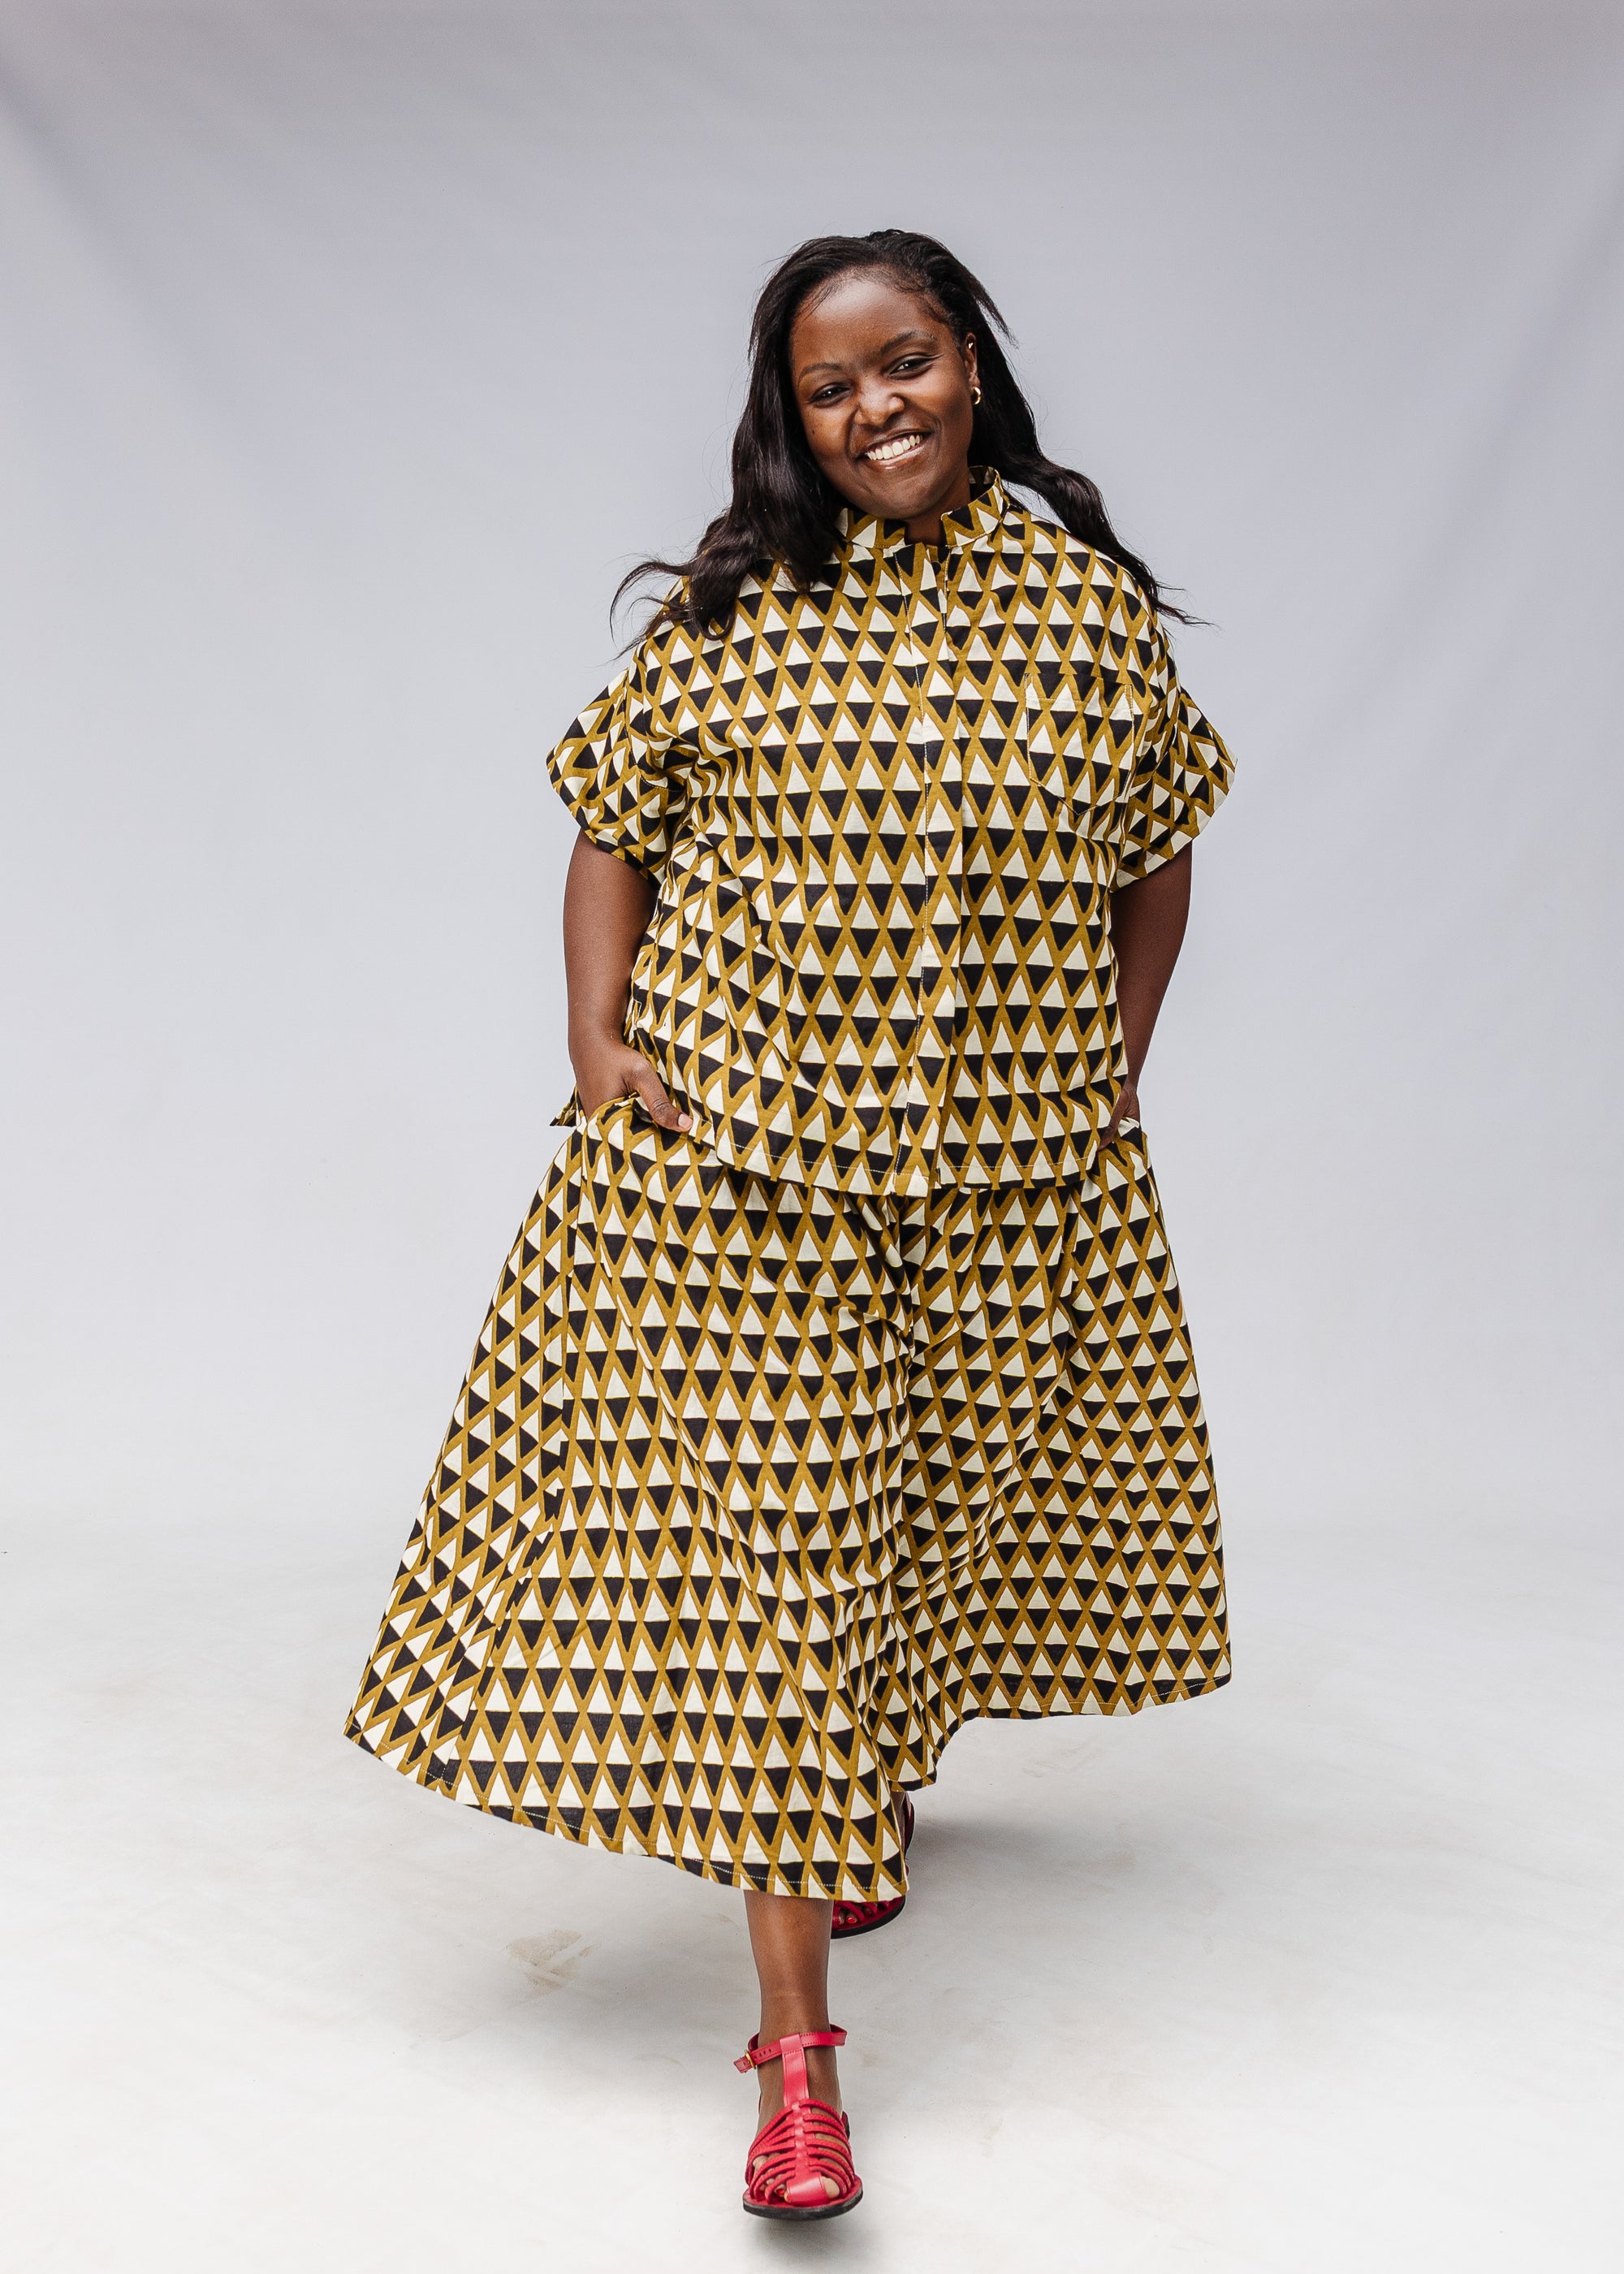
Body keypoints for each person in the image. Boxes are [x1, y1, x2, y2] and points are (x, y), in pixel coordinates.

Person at [347, 228, 1233, 2221]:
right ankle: (798, 2065)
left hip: (1005, 1181)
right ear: (792, 417)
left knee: (917, 1524)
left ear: (971, 367)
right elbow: (611, 822)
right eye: (830, 387)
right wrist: (596, 1042)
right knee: (778, 1598)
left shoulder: (1088, 616)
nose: (874, 409)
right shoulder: (733, 611)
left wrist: (1107, 1062)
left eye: (902, 361)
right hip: (744, 1180)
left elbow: (1161, 851)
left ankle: (863, 1790)